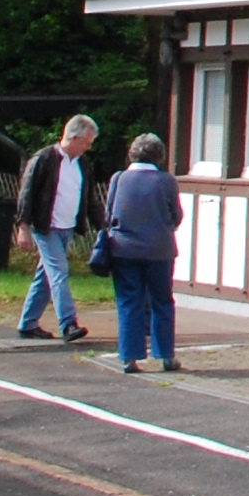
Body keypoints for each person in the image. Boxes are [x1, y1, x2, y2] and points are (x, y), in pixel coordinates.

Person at [98, 132, 183, 373]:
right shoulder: (166, 181)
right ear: (159, 156)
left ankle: (129, 357)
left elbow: (108, 214)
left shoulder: (118, 178)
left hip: (124, 249)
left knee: (129, 301)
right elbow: (176, 216)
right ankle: (166, 355)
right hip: (159, 250)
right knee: (162, 301)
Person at [11, 114, 99, 344]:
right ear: (74, 137)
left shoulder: (82, 164)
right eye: (87, 142)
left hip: (66, 227)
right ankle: (68, 323)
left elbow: (89, 199)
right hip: (46, 226)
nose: (89, 147)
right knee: (59, 272)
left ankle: (28, 324)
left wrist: (104, 227)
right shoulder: (43, 159)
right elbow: (27, 194)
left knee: (46, 276)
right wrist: (23, 226)